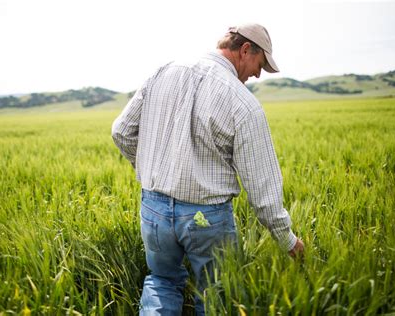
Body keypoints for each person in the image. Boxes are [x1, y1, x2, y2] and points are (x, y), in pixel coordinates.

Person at [112, 23, 305, 316]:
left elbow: (121, 132)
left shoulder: (164, 71)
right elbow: (262, 187)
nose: (257, 74)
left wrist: (151, 171)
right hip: (207, 217)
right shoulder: (244, 104)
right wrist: (287, 239)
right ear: (244, 50)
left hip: (153, 208)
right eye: (260, 64)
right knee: (217, 291)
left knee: (162, 281)